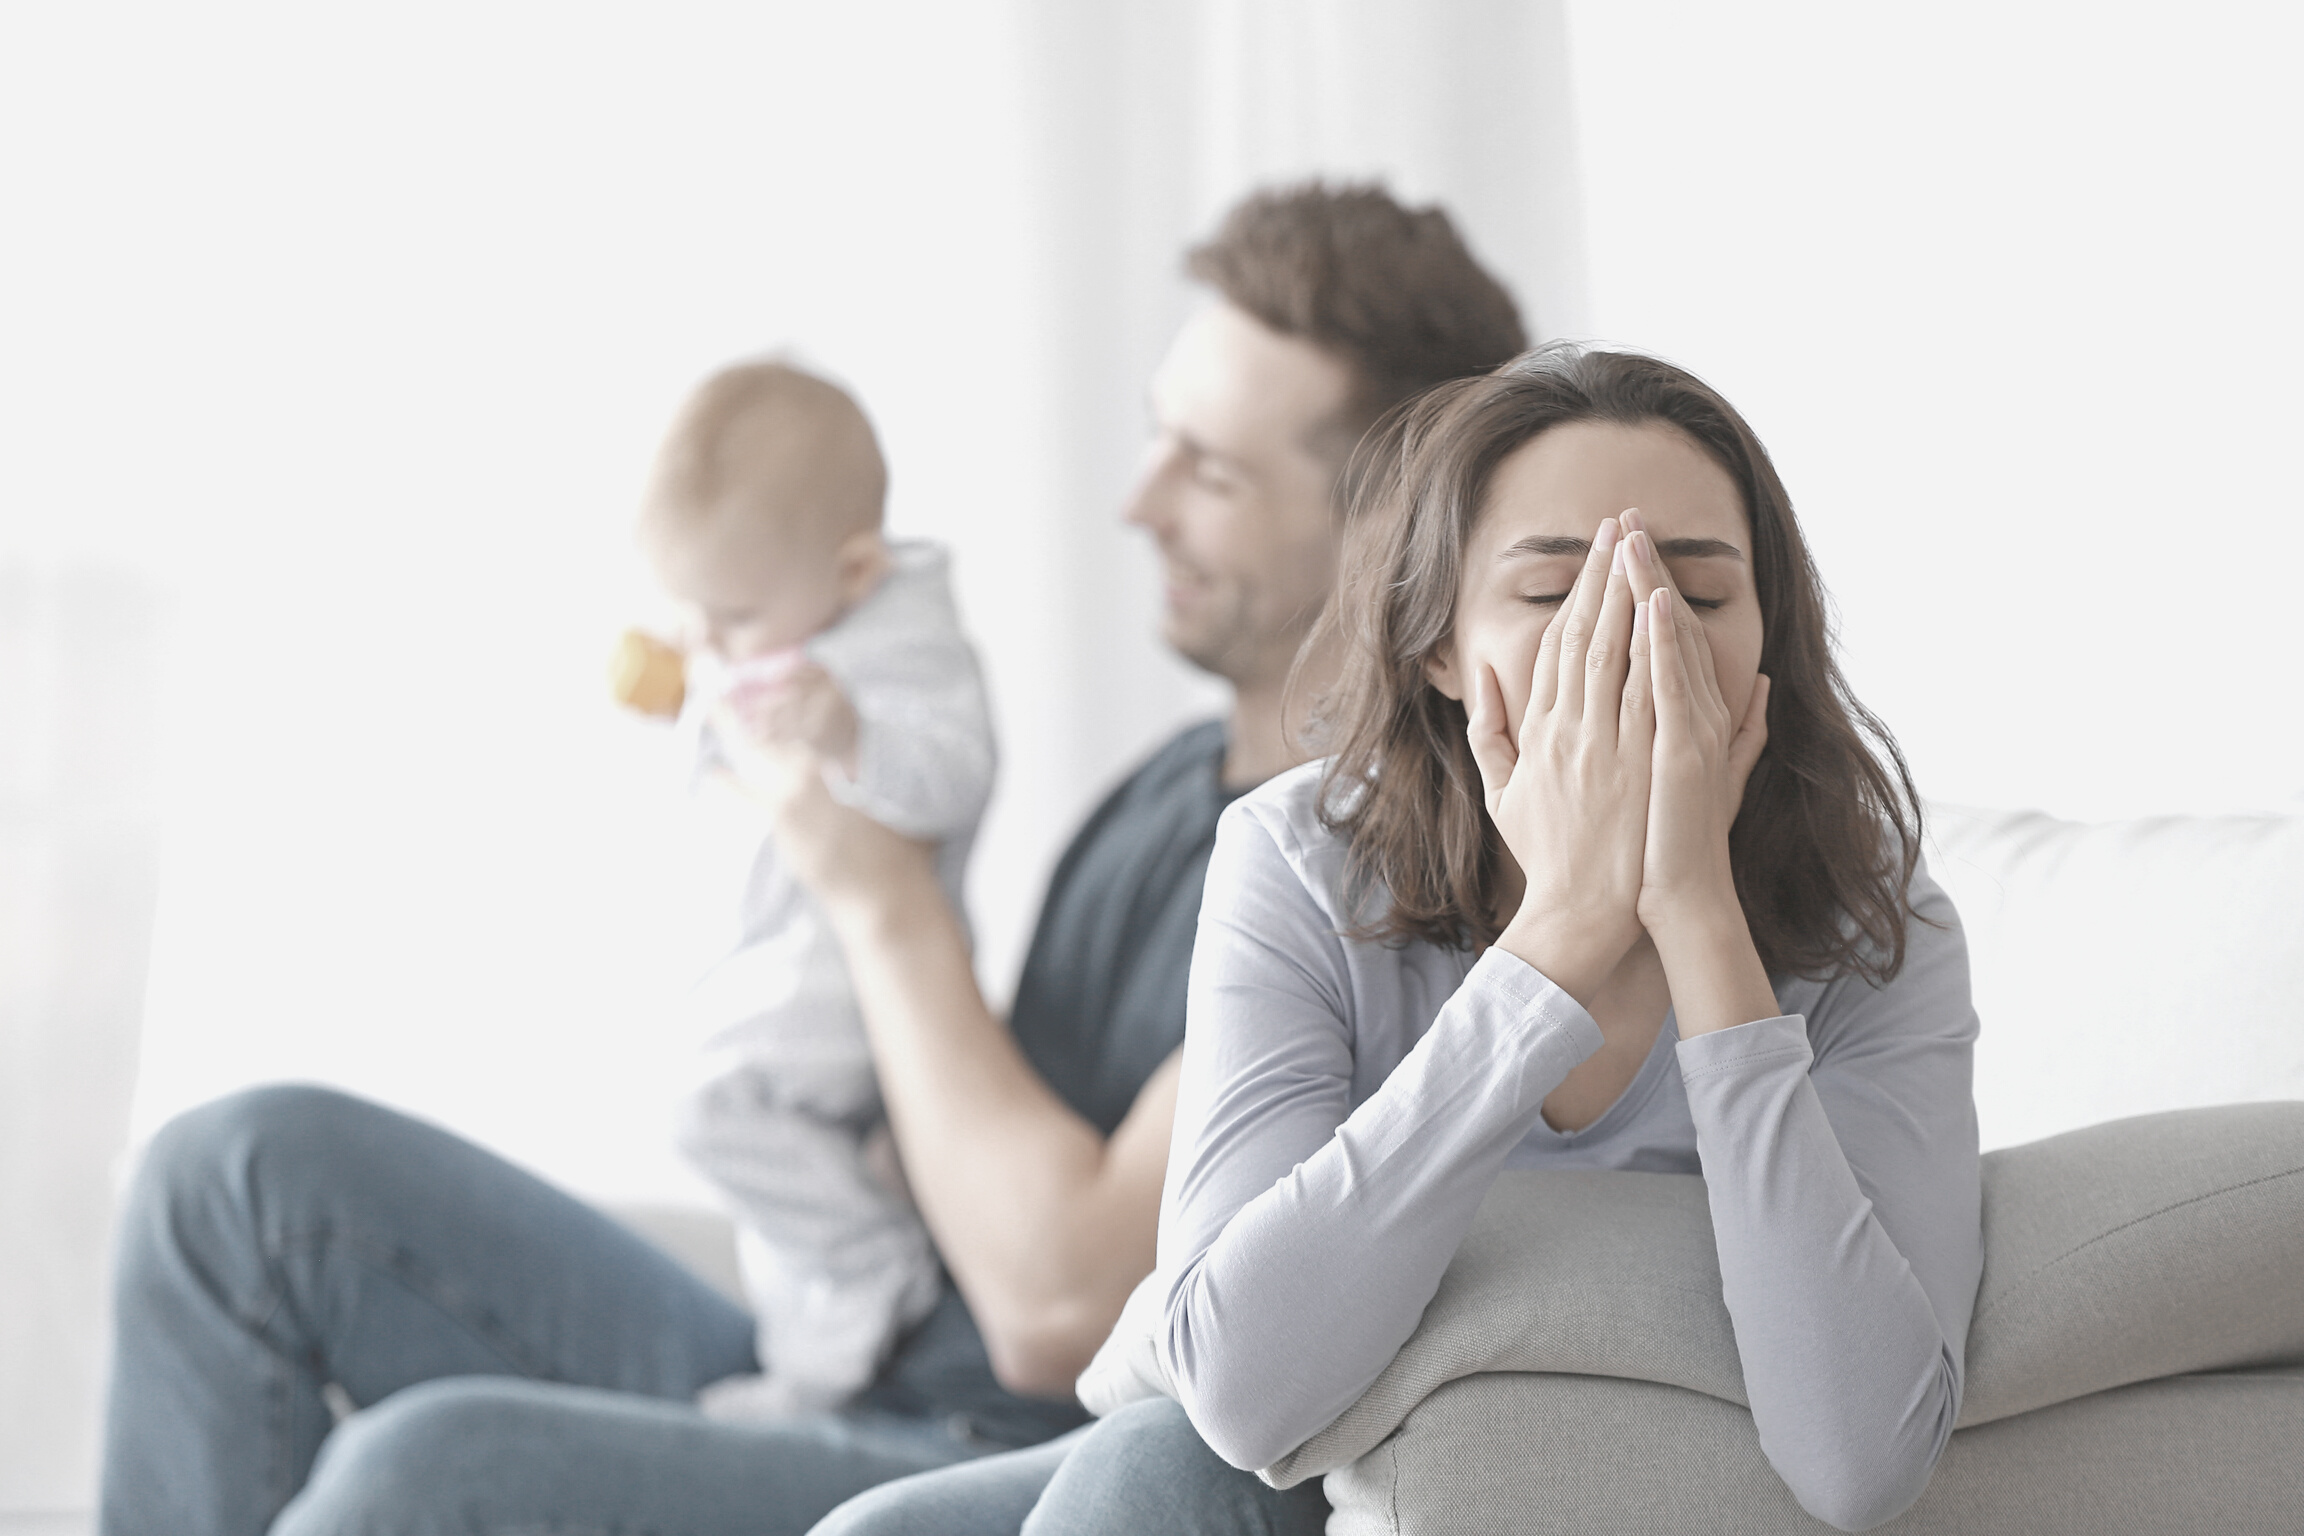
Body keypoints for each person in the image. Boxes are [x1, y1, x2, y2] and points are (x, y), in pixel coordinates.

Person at [95, 181, 1526, 1536]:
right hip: (871, 1349)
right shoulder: (1169, 786)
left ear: (1380, 525)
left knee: (423, 1473)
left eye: (1204, 471)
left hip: (987, 1442)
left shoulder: (1379, 862)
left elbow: (1053, 1306)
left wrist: (871, 882)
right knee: (235, 1177)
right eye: (1157, 438)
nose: (1138, 502)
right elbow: (955, 1141)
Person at [1126, 343, 1980, 1533]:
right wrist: (1563, 935)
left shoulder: (1874, 917)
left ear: (1768, 647)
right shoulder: (1296, 858)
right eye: (1552, 596)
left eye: (1702, 594)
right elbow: (1238, 1393)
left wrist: (1695, 911)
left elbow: (1860, 1462)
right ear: (1438, 651)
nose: (1633, 638)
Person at [638, 360, 996, 1421]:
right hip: (786, 946)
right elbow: (737, 711)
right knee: (718, 1104)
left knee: (708, 1104)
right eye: (687, 613)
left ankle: (872, 1274)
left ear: (854, 570)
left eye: (730, 616)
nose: (706, 641)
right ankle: (818, 1327)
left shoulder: (907, 649)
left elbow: (958, 776)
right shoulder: (780, 619)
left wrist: (856, 736)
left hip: (858, 972)